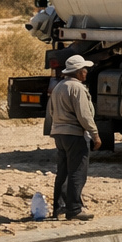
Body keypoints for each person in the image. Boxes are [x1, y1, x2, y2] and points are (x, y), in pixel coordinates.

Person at [49, 54, 100, 221]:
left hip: (59, 133)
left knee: (62, 171)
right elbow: (84, 115)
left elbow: (51, 112)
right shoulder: (77, 88)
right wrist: (95, 134)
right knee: (77, 171)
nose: (86, 72)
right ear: (77, 72)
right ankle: (75, 209)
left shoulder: (58, 87)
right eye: (84, 69)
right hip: (74, 134)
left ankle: (59, 208)